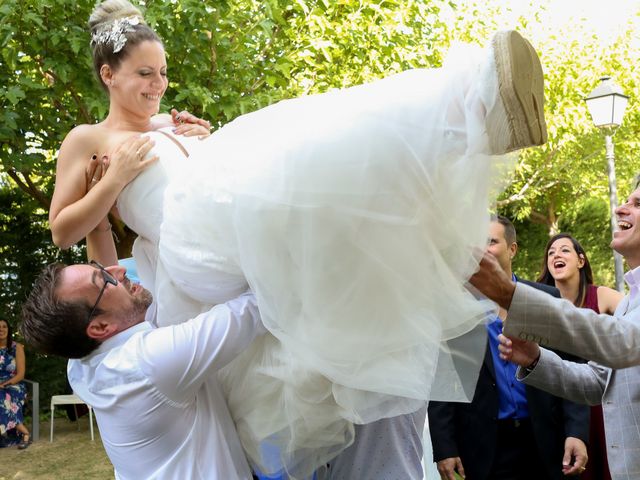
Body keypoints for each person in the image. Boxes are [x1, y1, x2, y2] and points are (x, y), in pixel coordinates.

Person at [49, 0, 548, 476]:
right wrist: (115, 180)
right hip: (189, 247)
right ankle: (468, 107)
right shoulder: (88, 139)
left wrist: (200, 144)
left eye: (161, 72)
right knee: (295, 156)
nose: (157, 84)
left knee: (302, 148)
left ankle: (469, 122)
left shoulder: (171, 125)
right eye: (143, 73)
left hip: (219, 218)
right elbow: (61, 228)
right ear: (108, 75)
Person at [20, 261, 265, 479]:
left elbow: (111, 303)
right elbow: (255, 306)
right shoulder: (149, 362)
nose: (120, 269)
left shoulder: (80, 365)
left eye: (98, 266)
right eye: (105, 279)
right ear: (101, 327)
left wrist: (102, 226)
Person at [468, 185, 640, 479]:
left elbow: (622, 343)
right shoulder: (630, 301)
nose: (620, 209)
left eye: (637, 203)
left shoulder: (615, 303)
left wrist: (511, 296)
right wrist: (536, 359)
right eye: (625, 200)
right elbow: (596, 380)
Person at [428, 216, 589, 480]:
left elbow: (572, 368)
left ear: (512, 249)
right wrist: (444, 447)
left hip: (546, 440)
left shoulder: (546, 299)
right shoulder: (457, 310)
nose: (482, 250)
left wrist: (577, 431)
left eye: (491, 242)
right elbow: (443, 379)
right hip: (483, 445)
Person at [538, 233, 623, 480]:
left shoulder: (603, 297)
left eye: (564, 250)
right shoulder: (540, 305)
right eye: (551, 253)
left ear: (581, 261)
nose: (556, 255)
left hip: (602, 404)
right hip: (559, 409)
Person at [0, 319, 30, 449]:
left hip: (15, 384)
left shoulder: (16, 347)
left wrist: (4, 384)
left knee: (2, 397)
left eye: (4, 326)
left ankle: (25, 434)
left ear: (8, 329)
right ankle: (23, 432)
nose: (1, 329)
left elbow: (21, 374)